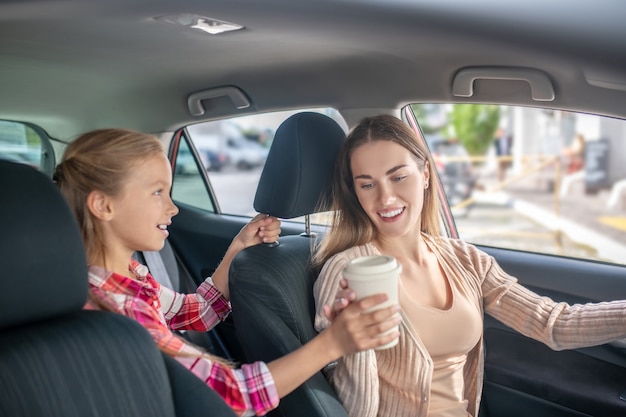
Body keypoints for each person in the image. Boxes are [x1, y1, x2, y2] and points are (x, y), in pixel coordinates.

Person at [54, 128, 401, 417]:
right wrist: (334, 343)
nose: (172, 207)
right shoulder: (115, 311)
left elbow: (194, 313)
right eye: (157, 192)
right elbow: (235, 394)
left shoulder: (127, 278)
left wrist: (238, 248)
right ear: (103, 205)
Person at [312, 114, 626, 417]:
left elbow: (553, 323)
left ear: (425, 175)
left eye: (398, 177)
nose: (386, 197)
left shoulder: (465, 259)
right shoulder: (347, 271)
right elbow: (351, 411)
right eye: (367, 185)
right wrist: (358, 347)